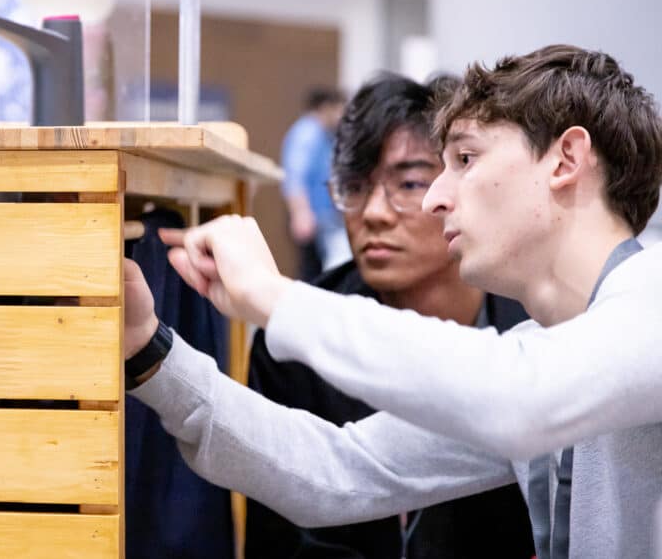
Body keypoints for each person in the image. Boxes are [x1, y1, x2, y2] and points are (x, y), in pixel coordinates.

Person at [121, 45, 662, 558]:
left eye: (466, 159)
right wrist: (152, 351)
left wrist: (275, 296)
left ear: (566, 159)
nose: (435, 197)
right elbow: (336, 471)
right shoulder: (545, 352)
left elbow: (519, 398)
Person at [246, 73, 533, 559]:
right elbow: (278, 533)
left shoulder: (531, 333)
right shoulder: (299, 339)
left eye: (407, 183)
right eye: (355, 186)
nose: (374, 213)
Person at [281, 86, 346, 280]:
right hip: (311, 216)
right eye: (339, 108)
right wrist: (301, 213)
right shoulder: (307, 133)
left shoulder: (325, 134)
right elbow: (294, 177)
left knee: (320, 270)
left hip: (323, 217)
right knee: (311, 272)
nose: (341, 115)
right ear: (326, 107)